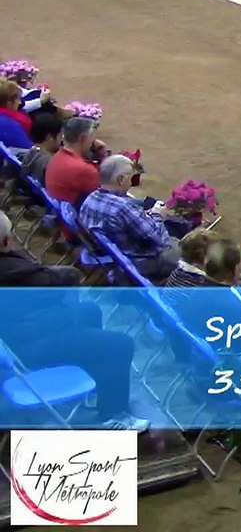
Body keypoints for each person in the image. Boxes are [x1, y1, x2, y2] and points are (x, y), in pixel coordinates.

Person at [0, 211, 149, 431]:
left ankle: (99, 384)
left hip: (20, 333)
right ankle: (114, 415)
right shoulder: (14, 271)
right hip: (31, 345)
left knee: (89, 311)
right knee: (120, 344)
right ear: (6, 240)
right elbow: (58, 285)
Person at [78, 155, 181, 280]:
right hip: (138, 262)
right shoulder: (123, 207)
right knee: (193, 256)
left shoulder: (90, 199)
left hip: (114, 256)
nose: (132, 183)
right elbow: (159, 239)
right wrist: (157, 214)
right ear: (121, 179)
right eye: (131, 178)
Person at [21, 113, 62, 185]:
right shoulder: (50, 162)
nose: (61, 140)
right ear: (49, 137)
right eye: (60, 136)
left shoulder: (31, 152)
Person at [0, 80, 32, 149]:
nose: (20, 102)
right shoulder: (14, 123)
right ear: (9, 103)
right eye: (17, 99)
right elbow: (26, 148)